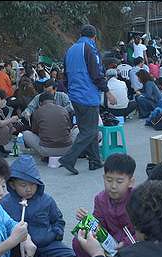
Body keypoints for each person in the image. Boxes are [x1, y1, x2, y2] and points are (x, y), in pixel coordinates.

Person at [1, 155, 78, 257]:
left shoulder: (46, 200)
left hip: (46, 243)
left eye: (32, 184)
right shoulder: (5, 204)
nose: (28, 189)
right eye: (23, 185)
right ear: (12, 184)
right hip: (20, 248)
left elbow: (58, 221)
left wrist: (54, 234)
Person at [58, 24, 117, 175]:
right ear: (94, 36)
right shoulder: (90, 49)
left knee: (86, 129)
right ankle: (69, 158)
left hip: (75, 95)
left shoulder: (70, 50)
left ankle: (95, 161)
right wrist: (107, 91)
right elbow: (96, 74)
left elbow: (65, 75)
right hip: (88, 95)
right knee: (90, 131)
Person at [72, 153, 136, 257]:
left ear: (131, 182)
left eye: (119, 181)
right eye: (109, 180)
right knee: (79, 241)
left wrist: (126, 243)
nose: (113, 186)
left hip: (132, 244)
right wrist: (86, 219)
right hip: (109, 242)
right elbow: (99, 225)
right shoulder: (100, 199)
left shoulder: (138, 199)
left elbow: (146, 231)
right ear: (103, 178)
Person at [22, 92, 78, 158]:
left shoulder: (37, 112)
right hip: (67, 149)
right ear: (54, 101)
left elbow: (35, 131)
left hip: (46, 150)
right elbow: (68, 129)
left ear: (40, 103)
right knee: (77, 129)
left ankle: (44, 155)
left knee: (26, 133)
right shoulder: (64, 110)